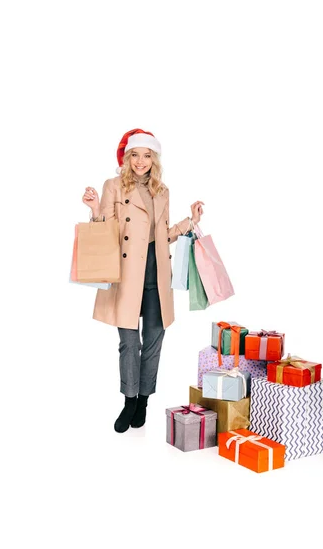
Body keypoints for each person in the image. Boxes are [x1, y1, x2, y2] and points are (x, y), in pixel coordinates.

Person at [82, 128, 204, 433]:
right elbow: (108, 231)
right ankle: (129, 400)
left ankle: (144, 401)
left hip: (156, 271)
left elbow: (160, 235)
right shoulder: (113, 186)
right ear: (127, 157)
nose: (140, 161)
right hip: (126, 273)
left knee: (153, 342)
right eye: (135, 155)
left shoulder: (162, 191)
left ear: (154, 158)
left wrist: (191, 222)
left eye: (147, 155)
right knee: (128, 343)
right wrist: (96, 211)